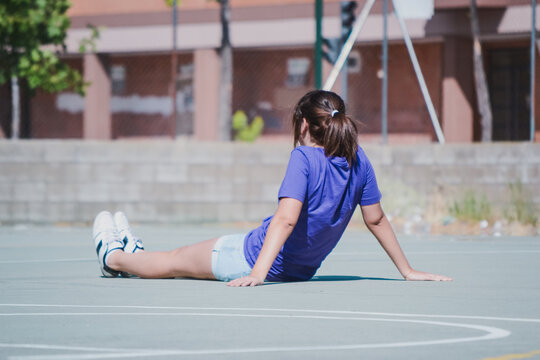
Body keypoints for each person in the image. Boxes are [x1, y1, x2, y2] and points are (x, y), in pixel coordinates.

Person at [93, 90, 452, 286]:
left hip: (248, 256)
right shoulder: (359, 160)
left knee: (173, 262)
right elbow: (376, 220)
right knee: (174, 259)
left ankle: (113, 257)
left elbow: (285, 220)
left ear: (305, 125)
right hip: (298, 270)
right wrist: (407, 270)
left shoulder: (303, 158)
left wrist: (257, 273)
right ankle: (132, 253)